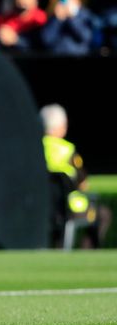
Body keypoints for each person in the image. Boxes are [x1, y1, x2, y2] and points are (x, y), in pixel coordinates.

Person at [41, 104, 111, 248]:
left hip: (39, 206)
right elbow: (83, 183)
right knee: (103, 214)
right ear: (60, 127)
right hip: (69, 208)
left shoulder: (32, 149)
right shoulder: (67, 150)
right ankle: (86, 254)